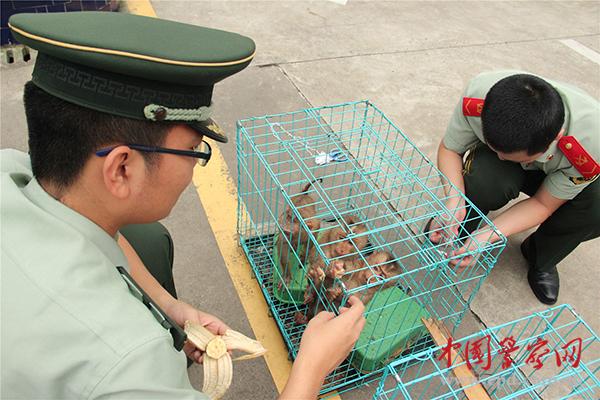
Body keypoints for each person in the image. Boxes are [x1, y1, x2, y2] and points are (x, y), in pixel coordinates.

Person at [1, 11, 365, 399]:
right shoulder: (127, 365)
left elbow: (97, 229)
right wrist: (312, 366)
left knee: (147, 238)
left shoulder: (12, 170)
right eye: (192, 150)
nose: (195, 163)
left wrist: (172, 308)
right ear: (121, 168)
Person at [430, 70, 599, 305]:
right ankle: (460, 221)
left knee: (594, 210)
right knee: (485, 176)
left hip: (564, 169)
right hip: (522, 145)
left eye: (508, 156)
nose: (499, 157)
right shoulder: (481, 98)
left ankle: (541, 255)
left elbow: (543, 203)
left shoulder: (591, 145)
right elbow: (450, 150)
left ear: (555, 138)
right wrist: (454, 199)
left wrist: (489, 235)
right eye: (494, 148)